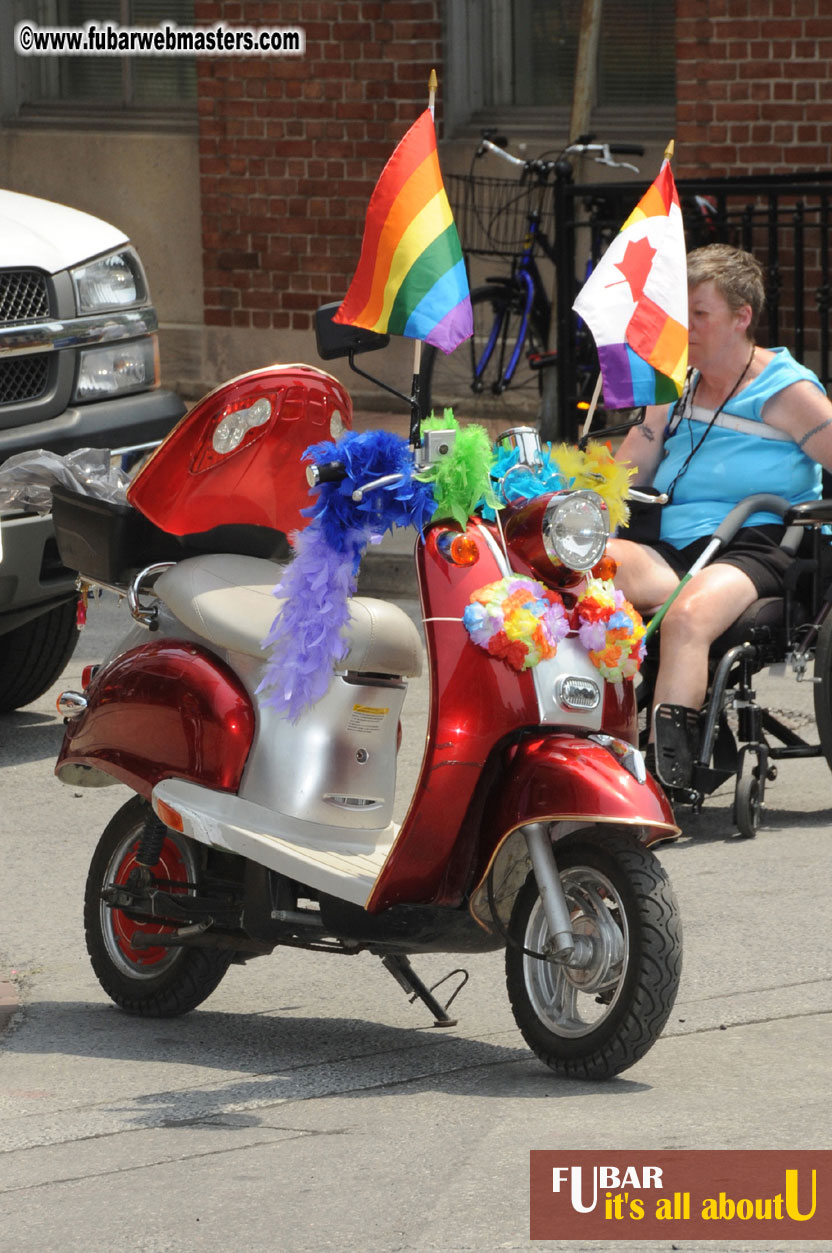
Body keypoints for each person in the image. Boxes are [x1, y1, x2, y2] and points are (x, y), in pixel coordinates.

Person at [607, 243, 832, 755]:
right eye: (678, 314)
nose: (683, 327)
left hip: (755, 544)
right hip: (672, 542)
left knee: (686, 616)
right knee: (580, 574)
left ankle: (668, 769)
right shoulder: (675, 381)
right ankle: (593, 748)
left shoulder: (786, 391)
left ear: (741, 317)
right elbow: (634, 466)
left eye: (699, 314)